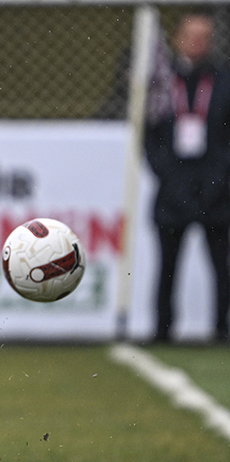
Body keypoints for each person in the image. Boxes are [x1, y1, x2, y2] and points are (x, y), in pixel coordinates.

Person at [145, 11, 230, 343]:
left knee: (220, 265)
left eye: (204, 37)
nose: (198, 44)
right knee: (167, 264)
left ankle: (220, 329)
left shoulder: (222, 81)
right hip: (173, 187)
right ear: (178, 38)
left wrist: (218, 179)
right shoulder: (162, 83)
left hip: (215, 188)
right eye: (192, 36)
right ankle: (163, 329)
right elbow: (151, 138)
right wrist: (169, 176)